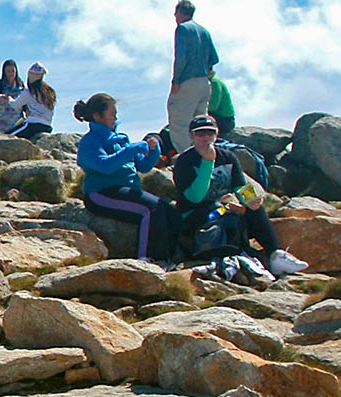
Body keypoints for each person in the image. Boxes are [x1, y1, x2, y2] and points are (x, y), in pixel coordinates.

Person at [173, 114, 306, 278]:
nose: (206, 138)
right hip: (193, 215)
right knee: (221, 211)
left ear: (216, 134)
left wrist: (251, 200)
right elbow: (195, 197)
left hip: (220, 208)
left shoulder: (228, 157)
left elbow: (240, 186)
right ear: (192, 136)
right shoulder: (185, 161)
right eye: (200, 134)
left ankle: (275, 255)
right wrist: (208, 163)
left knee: (254, 211)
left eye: (210, 133)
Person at [74, 93, 179, 264]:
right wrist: (132, 149)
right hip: (101, 194)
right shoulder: (90, 142)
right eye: (112, 114)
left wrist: (154, 151)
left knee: (168, 211)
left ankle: (170, 258)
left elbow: (143, 166)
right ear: (97, 116)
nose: (115, 117)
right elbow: (104, 166)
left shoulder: (121, 139)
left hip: (127, 190)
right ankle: (148, 260)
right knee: (150, 210)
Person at [167, 0, 218, 152]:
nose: (175, 17)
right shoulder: (204, 31)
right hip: (204, 82)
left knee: (179, 121)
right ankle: (205, 153)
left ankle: (185, 156)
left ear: (181, 13)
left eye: (176, 13)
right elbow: (214, 58)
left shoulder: (182, 29)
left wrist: (176, 80)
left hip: (187, 81)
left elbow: (180, 57)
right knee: (201, 122)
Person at [7, 63, 56, 139]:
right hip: (47, 126)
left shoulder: (28, 92)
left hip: (32, 125)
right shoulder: (50, 91)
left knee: (6, 137)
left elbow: (15, 105)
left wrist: (9, 99)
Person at [209, 71, 236, 138]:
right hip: (222, 118)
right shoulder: (213, 81)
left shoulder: (214, 82)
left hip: (225, 120)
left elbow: (213, 107)